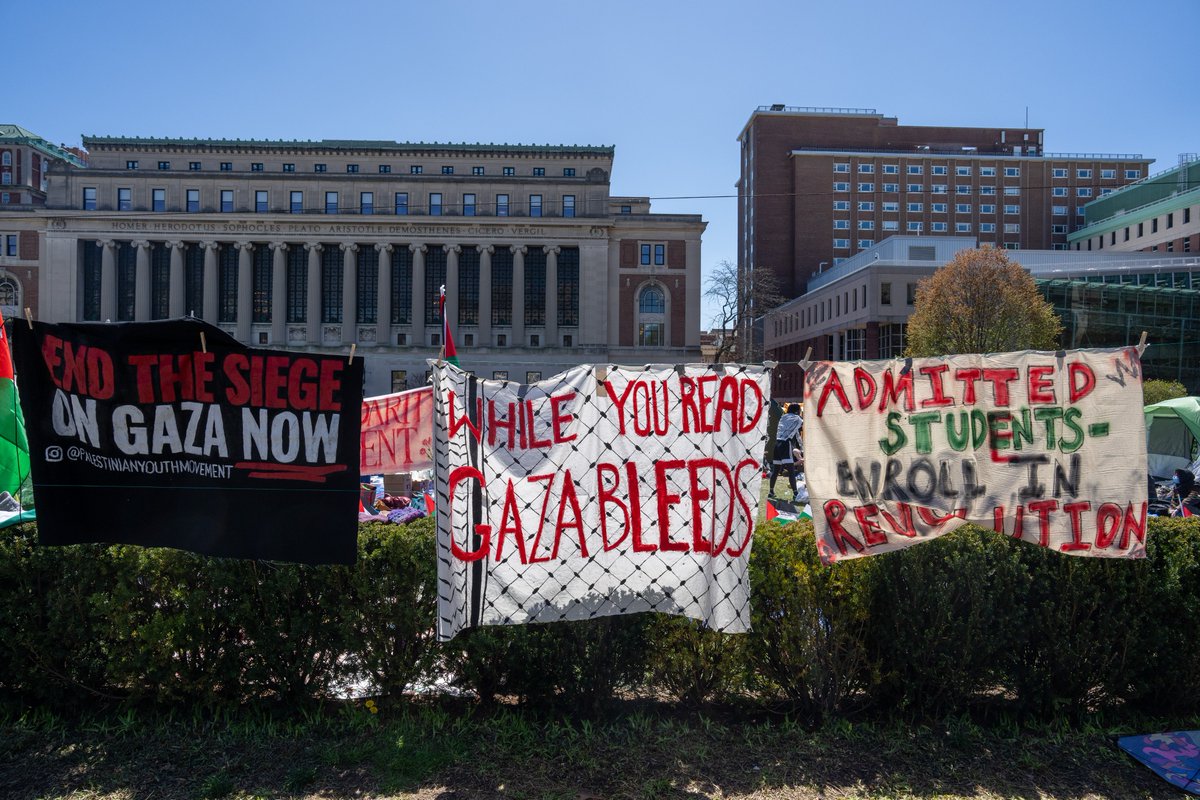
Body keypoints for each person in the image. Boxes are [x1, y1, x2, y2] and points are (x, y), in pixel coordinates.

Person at [768, 403, 803, 498]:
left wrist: (802, 447)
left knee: (776, 470)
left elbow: (797, 435)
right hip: (785, 444)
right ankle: (796, 494)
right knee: (791, 470)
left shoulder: (783, 417)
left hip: (777, 444)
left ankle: (771, 491)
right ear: (797, 411)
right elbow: (802, 426)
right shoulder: (798, 419)